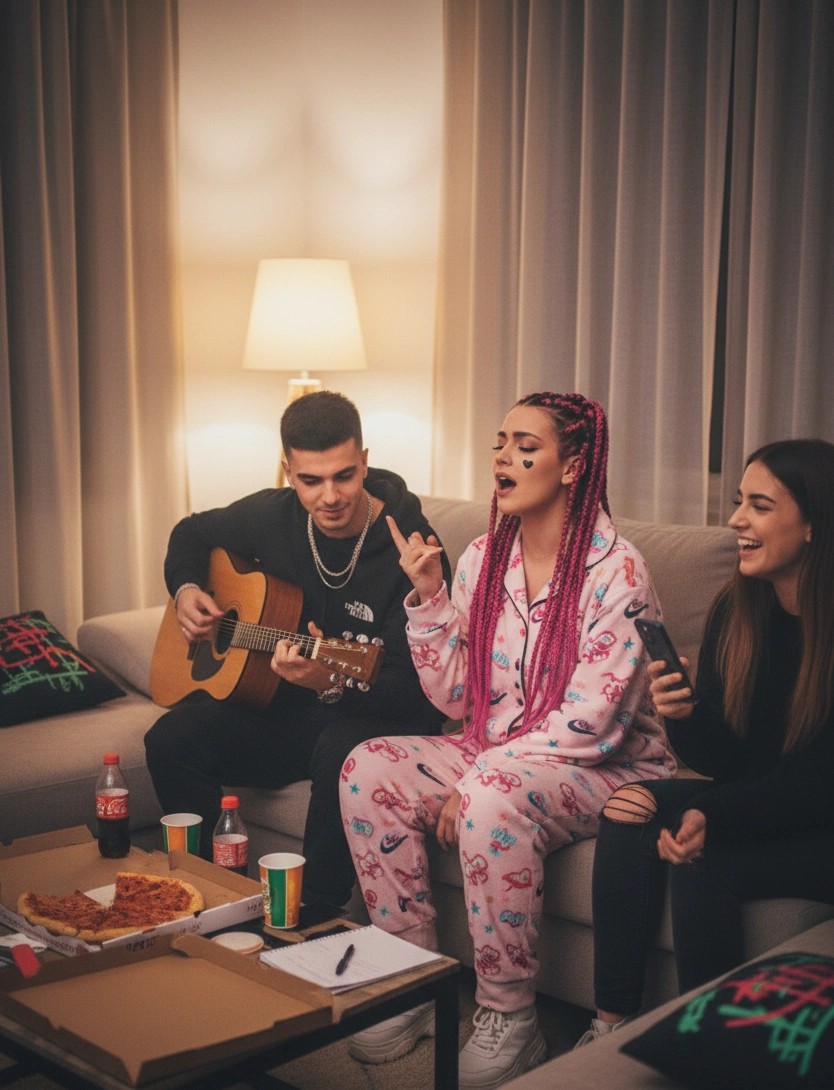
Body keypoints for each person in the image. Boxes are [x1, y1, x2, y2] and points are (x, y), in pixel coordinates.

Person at [338, 391, 675, 1089]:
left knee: (489, 795)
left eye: (527, 446)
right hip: (498, 749)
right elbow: (458, 700)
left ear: (575, 464)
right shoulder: (484, 557)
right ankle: (410, 985)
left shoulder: (618, 571)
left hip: (606, 765)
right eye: (500, 442)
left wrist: (475, 778)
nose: (504, 458)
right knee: (367, 767)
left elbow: (592, 722)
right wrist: (430, 600)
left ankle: (510, 1020)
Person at [144, 391, 450, 908]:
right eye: (311, 480)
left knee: (339, 749)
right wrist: (187, 590)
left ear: (364, 463)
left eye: (344, 476)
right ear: (289, 471)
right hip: (283, 714)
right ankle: (210, 895)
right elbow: (190, 533)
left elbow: (421, 696)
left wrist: (330, 683)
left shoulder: (412, 545)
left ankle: (316, 912)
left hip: (370, 718)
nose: (329, 496)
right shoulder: (273, 516)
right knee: (171, 739)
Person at [577, 438, 834, 1047]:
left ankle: (708, 1049)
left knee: (704, 858)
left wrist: (706, 812)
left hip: (823, 824)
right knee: (627, 806)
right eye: (739, 501)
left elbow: (815, 785)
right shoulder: (739, 610)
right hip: (765, 800)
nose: (737, 520)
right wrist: (684, 714)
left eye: (761, 506)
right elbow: (731, 762)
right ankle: (612, 1021)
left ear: (812, 526)